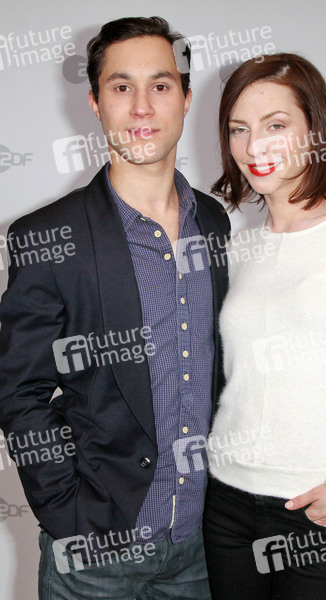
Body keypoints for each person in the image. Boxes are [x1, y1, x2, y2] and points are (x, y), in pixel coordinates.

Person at [0, 16, 230, 600]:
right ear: (96, 103)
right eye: (122, 86)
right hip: (94, 553)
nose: (142, 107)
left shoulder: (214, 222)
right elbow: (19, 391)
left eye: (160, 85)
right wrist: (67, 511)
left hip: (201, 547)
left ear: (185, 99)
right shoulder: (47, 236)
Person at [203, 52, 326, 600]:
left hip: (319, 517)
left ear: (315, 129)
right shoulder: (236, 249)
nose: (254, 147)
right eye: (239, 129)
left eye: (275, 125)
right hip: (225, 508)